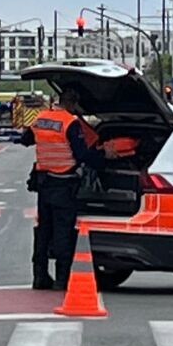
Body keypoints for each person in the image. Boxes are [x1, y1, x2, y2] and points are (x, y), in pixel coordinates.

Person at [22, 88, 108, 290]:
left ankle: (40, 276)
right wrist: (103, 160)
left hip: (44, 184)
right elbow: (81, 155)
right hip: (63, 183)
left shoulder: (41, 119)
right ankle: (62, 279)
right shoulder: (71, 123)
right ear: (72, 103)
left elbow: (25, 140)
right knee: (63, 233)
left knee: (43, 231)